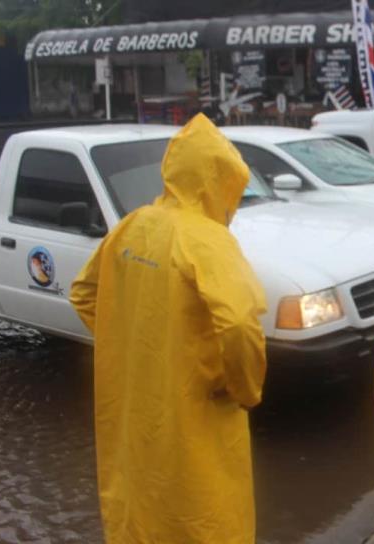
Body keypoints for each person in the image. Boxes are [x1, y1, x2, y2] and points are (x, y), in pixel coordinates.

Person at [70, 114, 267, 543]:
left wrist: (133, 343)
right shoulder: (208, 240)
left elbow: (84, 294)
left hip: (135, 408)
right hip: (195, 413)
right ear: (220, 183)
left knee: (141, 509)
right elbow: (237, 325)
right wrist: (243, 389)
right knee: (202, 513)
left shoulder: (131, 226)